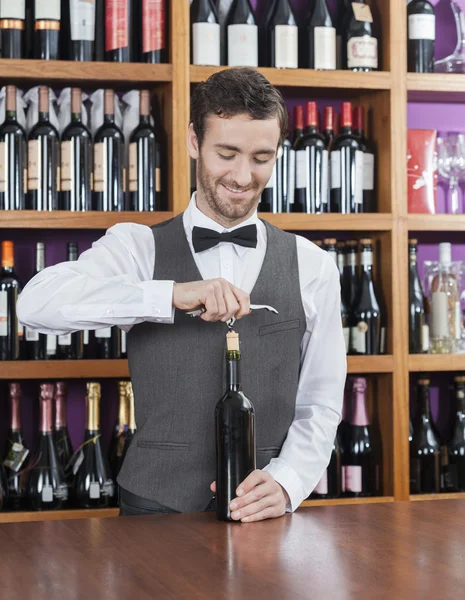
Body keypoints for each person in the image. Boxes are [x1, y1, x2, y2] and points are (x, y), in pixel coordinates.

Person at [17, 68, 346, 522]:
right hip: (153, 510)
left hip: (266, 515)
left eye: (261, 157)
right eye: (226, 153)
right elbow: (34, 304)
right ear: (194, 141)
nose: (242, 175)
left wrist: (289, 480)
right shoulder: (136, 246)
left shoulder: (313, 265)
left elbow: (321, 401)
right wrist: (167, 294)